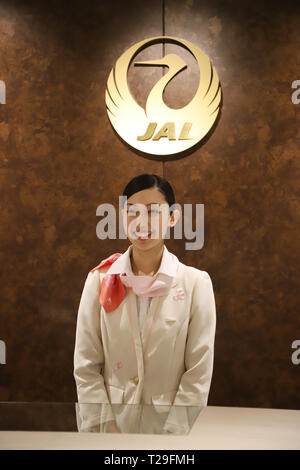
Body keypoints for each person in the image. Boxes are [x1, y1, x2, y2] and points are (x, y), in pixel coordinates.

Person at [73, 173, 216, 433]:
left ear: (173, 218)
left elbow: (198, 372)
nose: (141, 222)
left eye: (153, 212)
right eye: (132, 212)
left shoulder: (195, 284)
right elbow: (86, 364)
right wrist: (104, 425)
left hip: (167, 431)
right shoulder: (100, 279)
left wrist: (173, 434)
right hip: (109, 429)